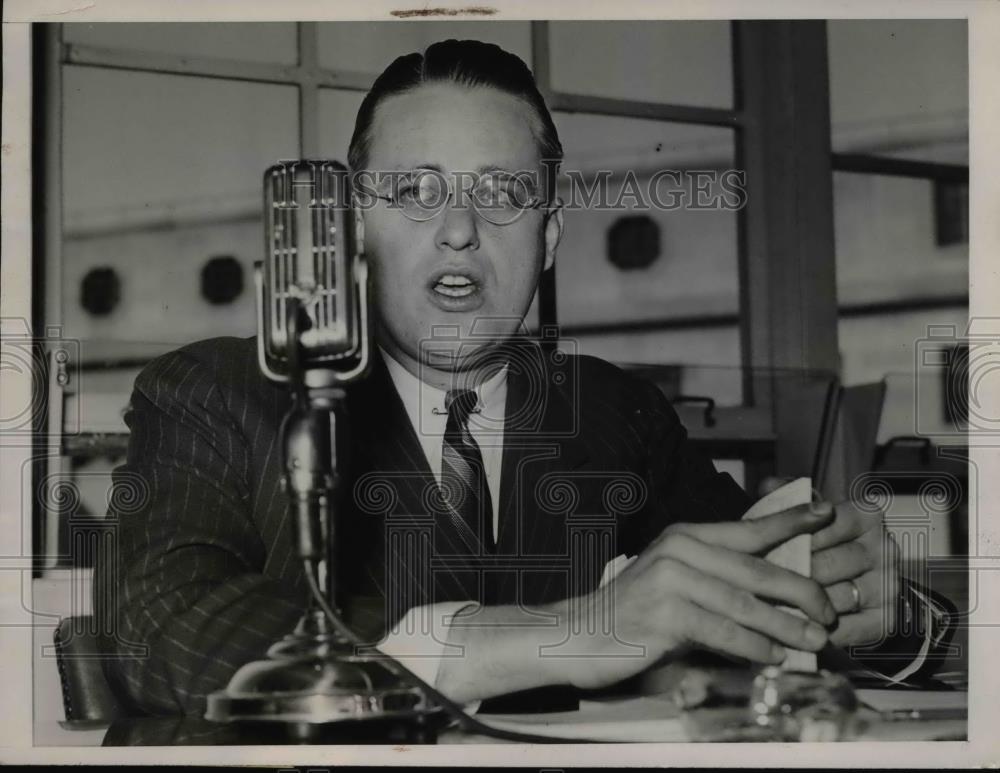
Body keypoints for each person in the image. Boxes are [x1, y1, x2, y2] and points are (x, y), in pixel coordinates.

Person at [94, 39, 951, 718]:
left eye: (502, 192)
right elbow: (164, 628)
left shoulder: (616, 414)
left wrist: (881, 612)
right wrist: (570, 632)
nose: (461, 229)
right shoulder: (222, 393)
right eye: (416, 190)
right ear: (354, 228)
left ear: (546, 238)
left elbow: (777, 596)